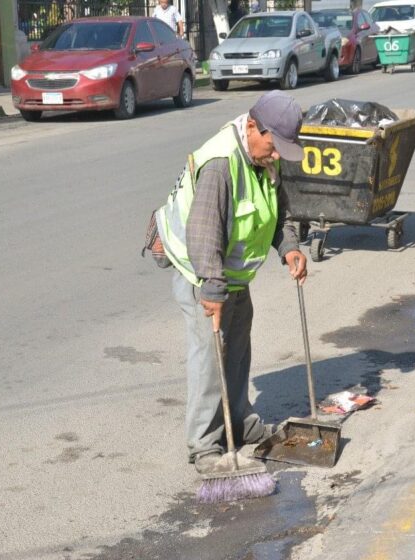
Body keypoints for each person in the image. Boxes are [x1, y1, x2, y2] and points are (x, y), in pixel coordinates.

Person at [157, 91, 308, 474]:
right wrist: (211, 288)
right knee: (211, 356)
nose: (275, 157)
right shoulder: (221, 164)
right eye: (274, 147)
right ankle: (205, 446)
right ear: (254, 127)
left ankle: (240, 423)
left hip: (234, 271)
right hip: (202, 270)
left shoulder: (265, 154)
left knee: (238, 346)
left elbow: (279, 209)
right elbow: (204, 231)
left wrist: (288, 247)